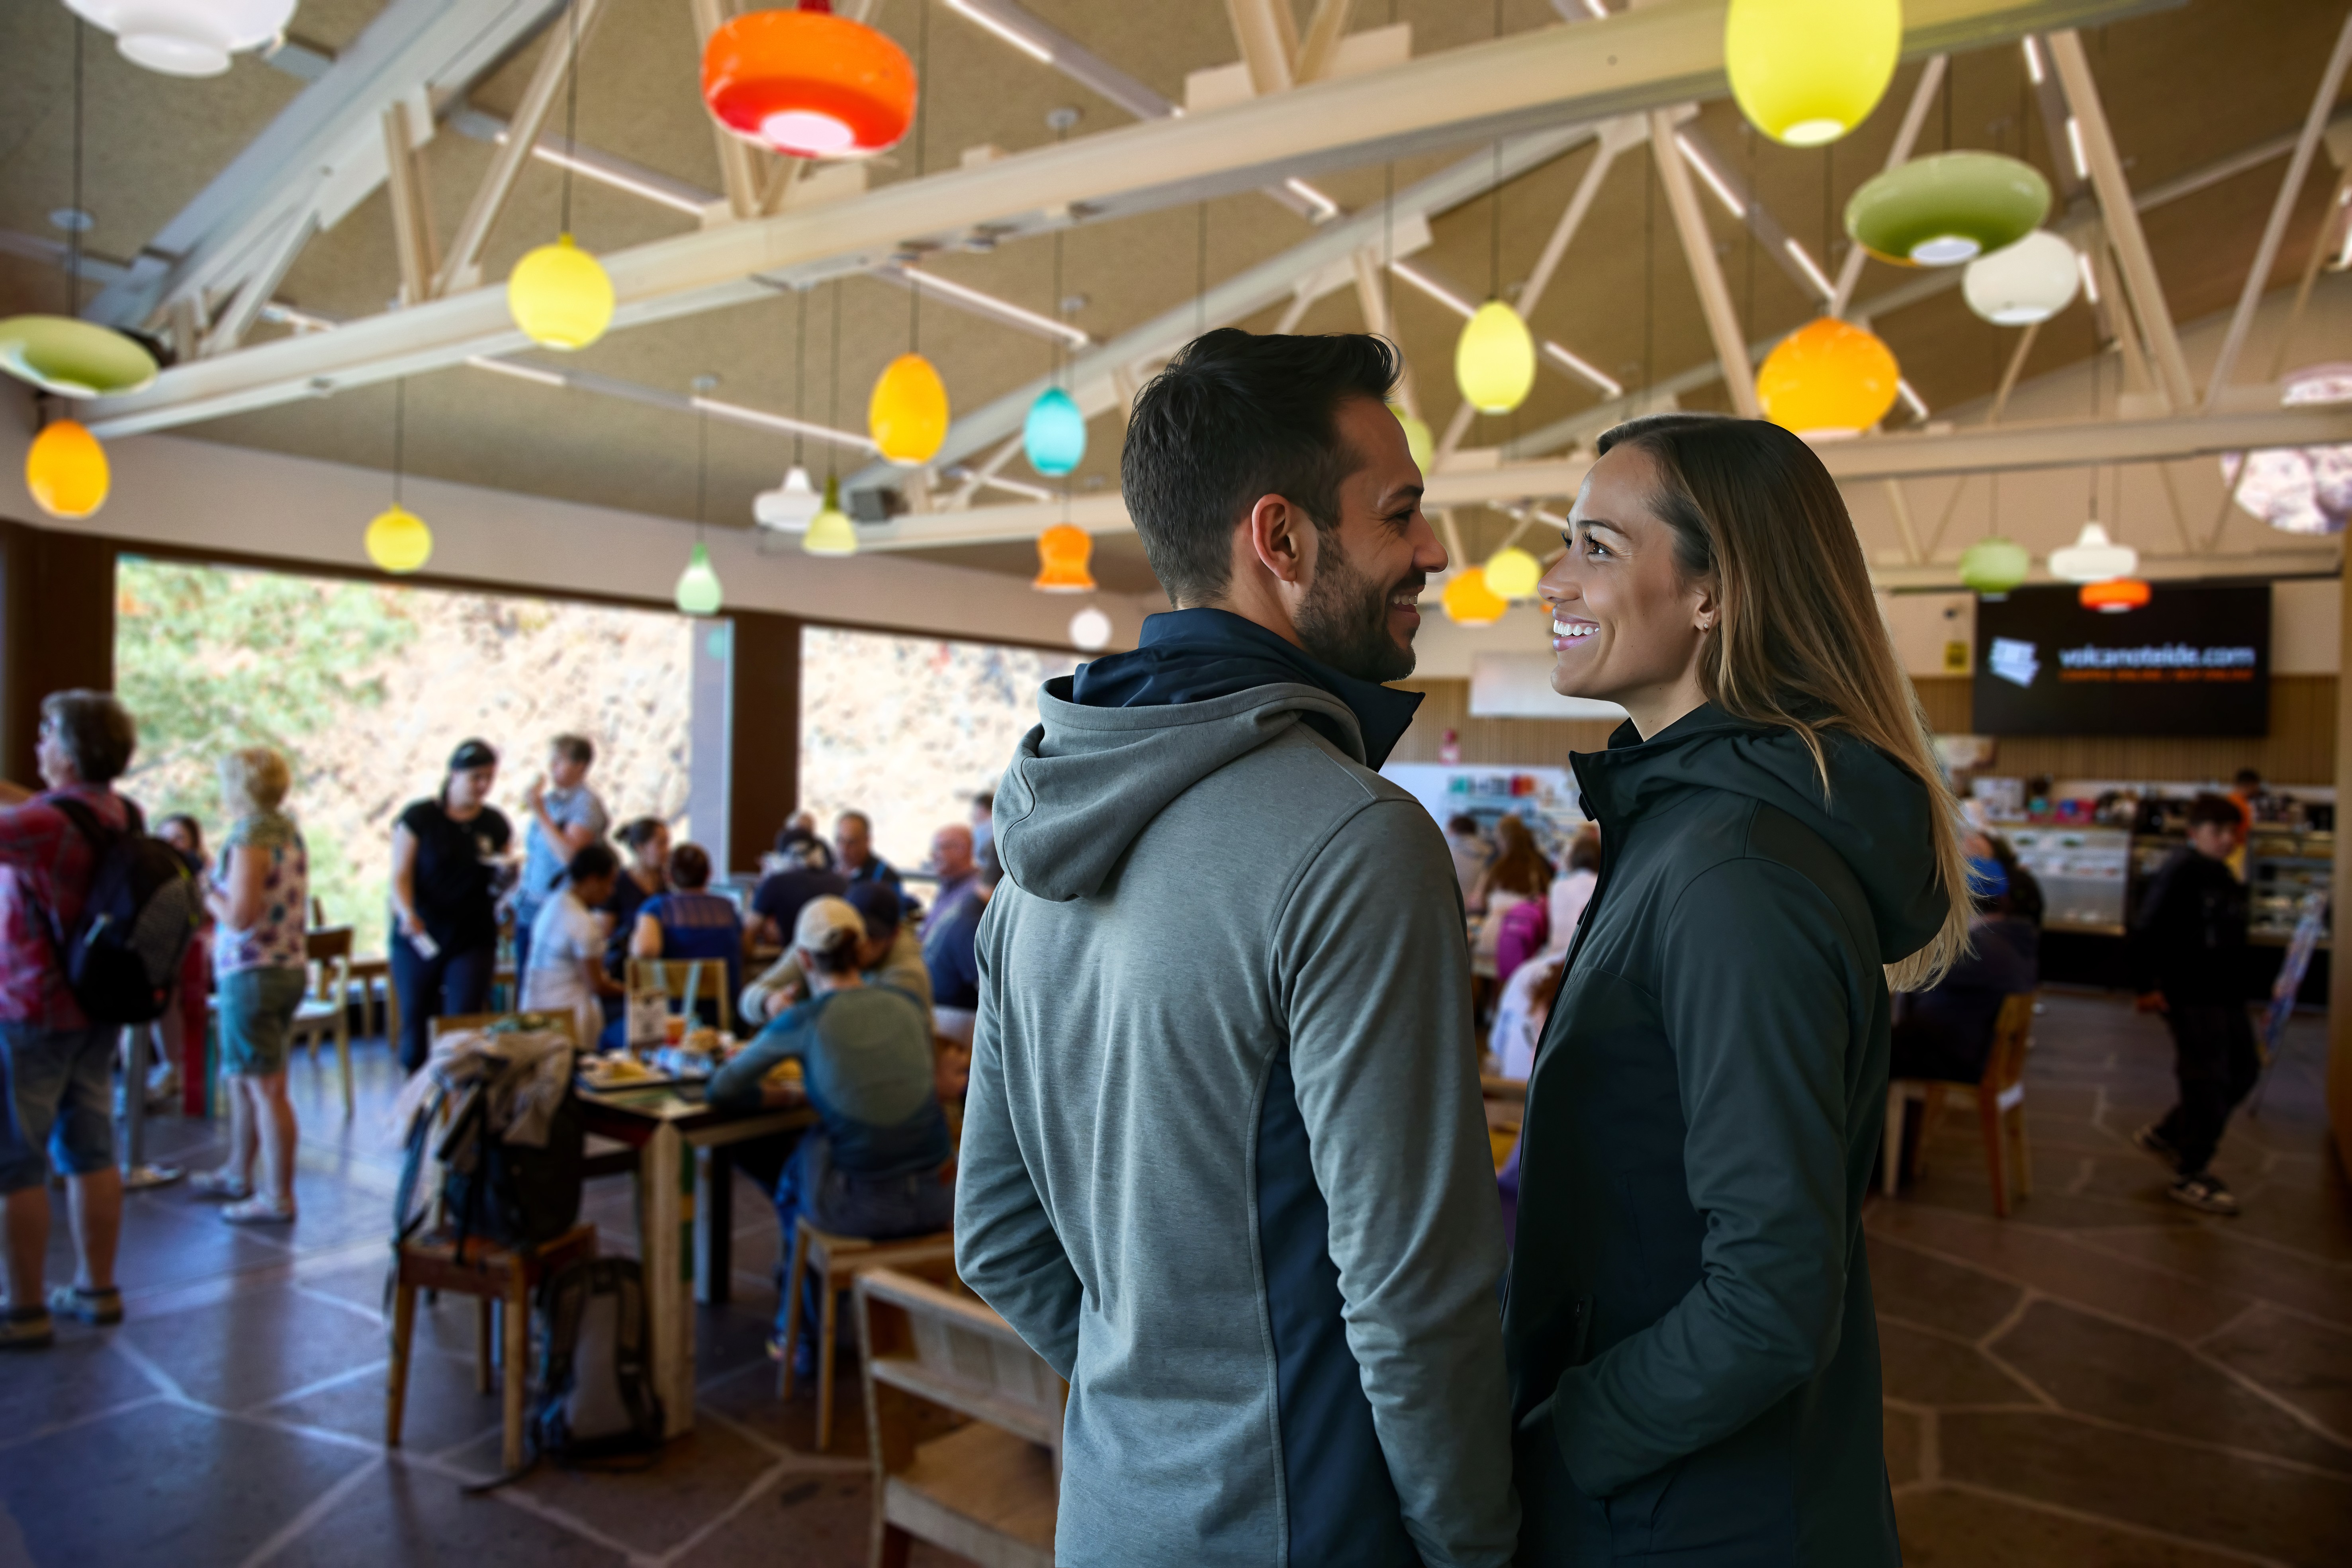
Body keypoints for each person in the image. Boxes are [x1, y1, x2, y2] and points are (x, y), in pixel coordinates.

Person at [957, 330, 1515, 1565]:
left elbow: (996, 1236)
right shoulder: (1357, 839)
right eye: (1402, 513)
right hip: (1310, 1530)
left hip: (1111, 1517)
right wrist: (1476, 1544)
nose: (1431, 552)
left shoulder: (1033, 852)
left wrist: (1163, 1401)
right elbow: (1413, 1298)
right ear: (1282, 539)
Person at [1507, 413, 1965, 1564]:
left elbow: (1766, 1297)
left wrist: (1557, 1445)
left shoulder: (1736, 869)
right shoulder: (1688, 828)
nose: (1553, 579)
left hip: (1690, 1517)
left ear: (1713, 593)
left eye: (1598, 547)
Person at [709, 896, 954, 1372]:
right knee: (826, 1146)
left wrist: (787, 1098)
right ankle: (836, 1317)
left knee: (805, 1160)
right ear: (862, 949)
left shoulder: (802, 1020)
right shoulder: (905, 1002)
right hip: (938, 1198)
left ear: (802, 961)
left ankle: (798, 1332)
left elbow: (723, 1090)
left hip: (860, 1210)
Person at [0, 691, 144, 1347]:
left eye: (45, 732)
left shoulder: (45, 826)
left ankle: (23, 1307)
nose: (37, 744)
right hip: (98, 1009)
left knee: (16, 1161)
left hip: (31, 1010)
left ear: (68, 748)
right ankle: (98, 1287)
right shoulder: (120, 812)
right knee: (91, 1149)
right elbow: (28, 805)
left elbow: (23, 820)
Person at [186, 747, 310, 1225]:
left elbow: (239, 916)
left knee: (266, 1088)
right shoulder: (288, 831)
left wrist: (203, 887)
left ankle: (277, 1194)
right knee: (244, 1078)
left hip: (253, 970)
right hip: (286, 966)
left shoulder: (250, 836)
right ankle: (239, 1172)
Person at [2128, 793, 2256, 1216]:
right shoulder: (2181, 870)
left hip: (2225, 991)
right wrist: (2145, 985)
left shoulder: (2220, 873)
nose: (2225, 840)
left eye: (2231, 832)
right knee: (2207, 1078)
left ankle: (2169, 1133)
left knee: (2243, 1069)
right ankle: (2190, 1171)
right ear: (2193, 833)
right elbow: (2147, 926)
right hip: (2190, 992)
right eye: (2216, 832)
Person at [389, 740, 513, 1075]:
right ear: (455, 775)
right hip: (423, 931)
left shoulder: (494, 823)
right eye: (476, 778)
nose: (483, 786)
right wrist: (406, 912)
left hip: (473, 932)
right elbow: (400, 874)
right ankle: (415, 1097)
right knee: (416, 1018)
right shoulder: (420, 818)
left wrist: (507, 876)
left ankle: (459, 1105)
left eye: (489, 778)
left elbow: (500, 877)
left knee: (464, 1019)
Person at [1888, 857, 2038, 1085]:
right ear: (2005, 899)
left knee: (1866, 1054)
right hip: (1971, 1047)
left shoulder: (1977, 948)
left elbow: (1905, 975)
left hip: (1953, 1054)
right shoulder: (2013, 938)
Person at [740, 881, 931, 1028]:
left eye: (872, 937)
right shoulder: (819, 941)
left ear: (894, 935)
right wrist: (768, 1002)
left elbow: (861, 1036)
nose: (862, 946)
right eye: (854, 935)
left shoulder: (907, 974)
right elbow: (749, 997)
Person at [513, 735, 609, 980]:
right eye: (552, 761)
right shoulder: (551, 801)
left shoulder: (585, 804)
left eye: (560, 761)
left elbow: (570, 856)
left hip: (558, 906)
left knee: (550, 980)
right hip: (531, 902)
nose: (552, 768)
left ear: (580, 766)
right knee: (527, 979)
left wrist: (540, 813)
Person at [521, 842, 623, 1053]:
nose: (611, 892)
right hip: (568, 1016)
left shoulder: (553, 902)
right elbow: (596, 985)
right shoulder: (582, 922)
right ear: (593, 880)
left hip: (531, 1006)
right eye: (609, 884)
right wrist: (633, 991)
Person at [630, 842, 746, 1022]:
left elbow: (645, 950)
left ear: (669, 877)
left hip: (673, 1018)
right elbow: (745, 948)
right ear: (709, 875)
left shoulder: (657, 907)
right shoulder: (728, 908)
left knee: (609, 1033)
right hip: (726, 1015)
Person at [923, 850, 996, 1046]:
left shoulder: (969, 905)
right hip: (951, 1021)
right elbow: (991, 993)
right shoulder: (973, 924)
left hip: (942, 1011)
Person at [1472, 812, 1554, 975]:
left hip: (1492, 942)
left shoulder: (1496, 866)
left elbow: (1477, 903)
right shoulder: (1540, 866)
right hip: (1527, 943)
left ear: (1502, 841)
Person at [749, 824, 846, 949]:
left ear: (780, 860)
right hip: (836, 962)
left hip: (798, 961)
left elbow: (748, 931)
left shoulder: (776, 883)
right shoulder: (842, 882)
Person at [832, 811, 905, 904]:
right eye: (840, 840)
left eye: (851, 842)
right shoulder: (826, 871)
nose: (844, 848)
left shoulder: (885, 877)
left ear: (867, 841)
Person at [1445, 812, 1492, 906]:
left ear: (1453, 830)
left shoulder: (1448, 853)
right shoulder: (1488, 855)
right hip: (1472, 909)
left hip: (1449, 905)